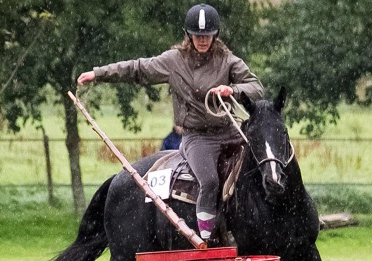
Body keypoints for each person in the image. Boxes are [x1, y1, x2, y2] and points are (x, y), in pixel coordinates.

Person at [77, 3, 264, 242]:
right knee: (209, 181)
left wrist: (233, 89)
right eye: (198, 35)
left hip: (230, 131)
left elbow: (256, 87)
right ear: (189, 35)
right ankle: (207, 237)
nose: (203, 40)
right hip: (198, 138)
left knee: (263, 165)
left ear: (215, 35)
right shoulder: (173, 61)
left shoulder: (228, 61)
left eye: (207, 36)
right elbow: (138, 69)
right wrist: (98, 73)